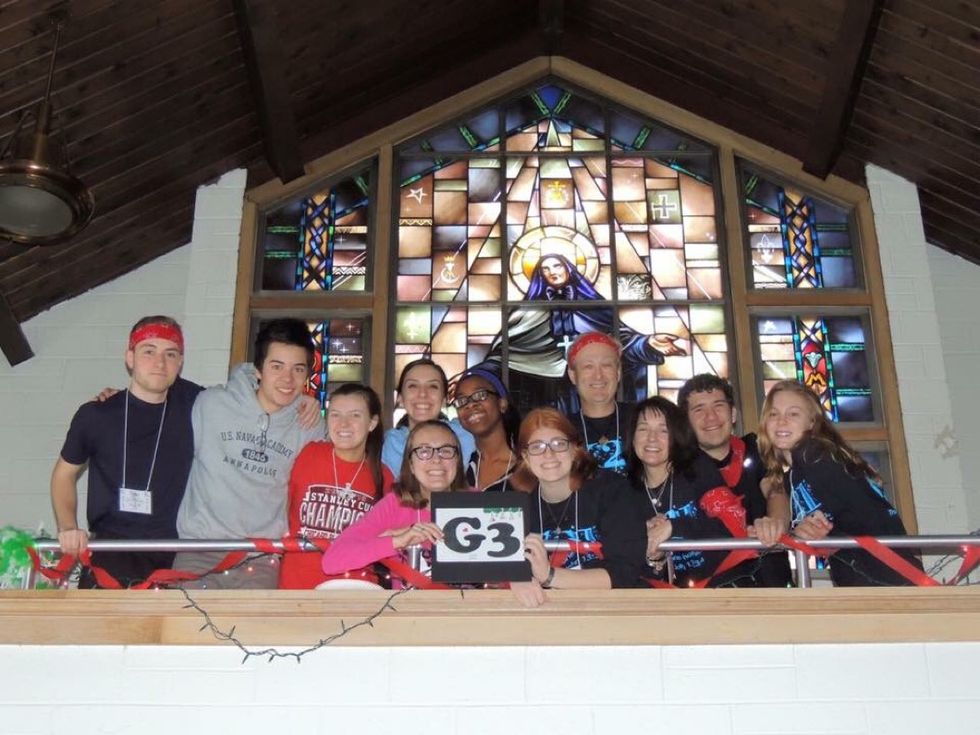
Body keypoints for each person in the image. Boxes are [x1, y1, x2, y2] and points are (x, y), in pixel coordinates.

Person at [50, 316, 202, 588]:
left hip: (174, 559)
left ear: (180, 362)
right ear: (129, 358)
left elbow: (252, 395)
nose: (160, 363)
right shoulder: (96, 415)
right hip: (109, 554)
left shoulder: (198, 408)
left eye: (170, 354)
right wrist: (68, 527)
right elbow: (64, 474)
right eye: (148, 352)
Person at [174, 318, 325, 589]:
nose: (287, 379)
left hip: (261, 558)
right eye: (277, 366)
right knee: (181, 618)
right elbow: (158, 413)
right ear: (258, 369)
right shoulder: (212, 404)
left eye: (298, 369)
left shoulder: (310, 425)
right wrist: (117, 400)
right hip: (198, 550)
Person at [757, 379, 922, 587]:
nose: (782, 421)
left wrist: (819, 530)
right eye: (773, 414)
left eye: (793, 414)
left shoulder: (814, 454)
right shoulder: (797, 472)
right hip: (867, 576)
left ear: (812, 422)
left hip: (885, 574)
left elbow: (859, 515)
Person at [475, 253, 686, 415]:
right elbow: (505, 353)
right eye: (546, 268)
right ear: (540, 275)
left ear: (569, 268)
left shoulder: (594, 306)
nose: (552, 272)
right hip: (541, 389)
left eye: (557, 265)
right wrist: (479, 375)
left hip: (589, 387)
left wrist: (647, 344)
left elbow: (619, 340)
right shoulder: (527, 311)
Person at [508, 408, 645, 607]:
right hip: (549, 612)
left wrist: (550, 576)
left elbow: (624, 574)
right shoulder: (516, 506)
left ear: (574, 449)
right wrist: (517, 577)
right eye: (537, 447)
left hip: (612, 608)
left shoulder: (612, 490)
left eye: (558, 444)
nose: (549, 454)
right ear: (525, 457)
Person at [627, 396, 761, 588]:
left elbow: (732, 524)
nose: (652, 438)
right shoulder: (625, 490)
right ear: (632, 437)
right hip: (670, 596)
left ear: (677, 436)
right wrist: (654, 557)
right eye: (643, 429)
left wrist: (674, 528)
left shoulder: (697, 469)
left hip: (727, 584)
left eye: (663, 430)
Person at [677, 373, 793, 587]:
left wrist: (776, 523)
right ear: (685, 422)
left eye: (718, 406)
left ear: (733, 414)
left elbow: (775, 490)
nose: (711, 417)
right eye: (699, 409)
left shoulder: (754, 450)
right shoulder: (678, 469)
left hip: (770, 585)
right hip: (710, 590)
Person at [321, 420, 467, 586]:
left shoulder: (479, 504)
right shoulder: (395, 505)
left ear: (458, 460)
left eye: (446, 451)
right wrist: (398, 540)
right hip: (407, 603)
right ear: (411, 465)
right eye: (424, 452)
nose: (436, 460)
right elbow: (332, 561)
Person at [279, 383, 393, 589]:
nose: (343, 424)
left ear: (372, 423)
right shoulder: (307, 453)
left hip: (357, 588)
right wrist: (302, 400)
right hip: (298, 588)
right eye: (335, 415)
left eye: (355, 415)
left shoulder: (384, 476)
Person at [381, 358, 475, 474]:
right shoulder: (392, 444)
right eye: (413, 386)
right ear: (400, 398)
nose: (423, 394)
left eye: (433, 386)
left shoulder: (466, 433)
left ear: (444, 399)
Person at [566, 332, 634, 475]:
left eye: (606, 365)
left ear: (618, 373)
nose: (598, 376)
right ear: (573, 375)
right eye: (588, 366)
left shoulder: (641, 421)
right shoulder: (561, 430)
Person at [453, 367, 520, 492]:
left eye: (480, 395)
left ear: (502, 404)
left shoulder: (528, 463)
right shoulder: (461, 467)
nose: (470, 404)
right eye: (462, 401)